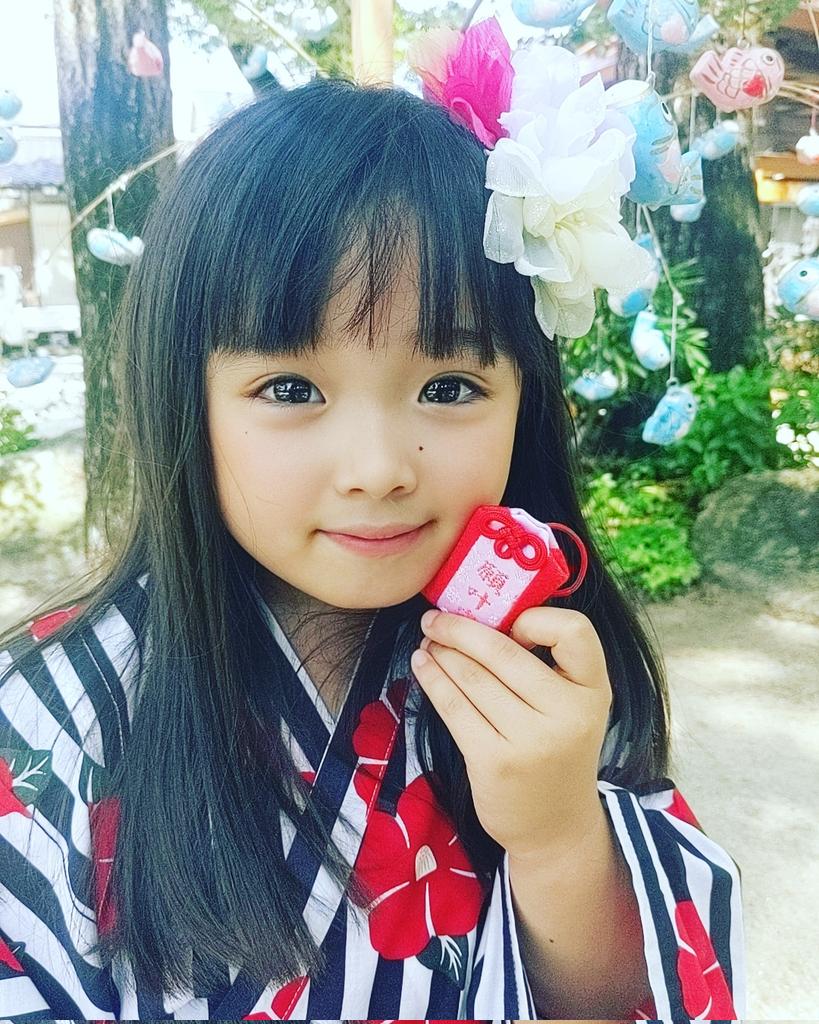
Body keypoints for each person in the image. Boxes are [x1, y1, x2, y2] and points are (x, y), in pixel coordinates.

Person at [0, 47, 745, 1023]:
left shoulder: (551, 674)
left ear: (524, 402)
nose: (379, 466)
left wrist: (559, 836)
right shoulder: (51, 711)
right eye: (290, 388)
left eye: (449, 387)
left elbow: (619, 999)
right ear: (185, 399)